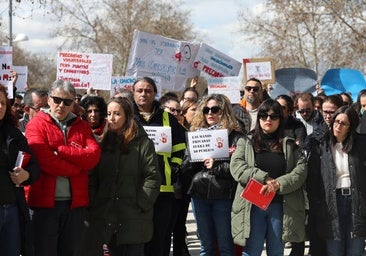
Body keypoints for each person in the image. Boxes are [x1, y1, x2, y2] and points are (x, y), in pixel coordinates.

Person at [25, 80, 101, 256]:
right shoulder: (36, 124)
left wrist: (61, 150)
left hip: (75, 206)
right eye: (57, 100)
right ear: (49, 99)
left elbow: (93, 157)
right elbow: (45, 161)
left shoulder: (81, 125)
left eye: (67, 102)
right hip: (44, 205)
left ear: (73, 102)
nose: (61, 105)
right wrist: (76, 168)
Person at [82, 97, 161, 256]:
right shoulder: (101, 143)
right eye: (109, 113)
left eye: (117, 113)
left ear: (127, 116)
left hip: (133, 218)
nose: (111, 118)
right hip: (104, 217)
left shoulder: (143, 143)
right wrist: (94, 201)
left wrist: (142, 203)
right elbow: (92, 177)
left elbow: (152, 177)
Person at [230, 99, 307, 256]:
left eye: (273, 116)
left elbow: (300, 171)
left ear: (280, 119)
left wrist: (278, 184)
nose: (268, 120)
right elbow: (237, 167)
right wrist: (264, 178)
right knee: (252, 250)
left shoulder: (290, 145)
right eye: (264, 115)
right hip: (252, 204)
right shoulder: (246, 141)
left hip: (280, 206)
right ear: (258, 118)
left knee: (276, 251)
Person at [131, 77, 186, 256]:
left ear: (155, 93)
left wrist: (174, 167)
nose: (143, 94)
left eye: (148, 90)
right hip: (133, 189)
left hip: (163, 188)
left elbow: (180, 148)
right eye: (139, 90)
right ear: (133, 93)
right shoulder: (126, 117)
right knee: (136, 238)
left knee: (160, 238)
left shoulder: (167, 118)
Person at [183, 94, 243, 256]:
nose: (210, 113)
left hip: (224, 196)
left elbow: (239, 169)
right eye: (206, 110)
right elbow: (186, 167)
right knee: (206, 246)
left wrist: (216, 165)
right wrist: (195, 159)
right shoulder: (196, 135)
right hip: (199, 195)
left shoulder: (235, 137)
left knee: (225, 246)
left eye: (215, 109)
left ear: (224, 112)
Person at [306, 106, 366, 256]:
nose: (338, 126)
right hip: (331, 202)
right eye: (336, 121)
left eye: (343, 123)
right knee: (334, 250)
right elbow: (312, 178)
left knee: (355, 249)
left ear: (351, 126)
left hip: (356, 202)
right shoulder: (321, 145)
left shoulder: (361, 145)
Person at [0, 84, 40, 256]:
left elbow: (34, 166)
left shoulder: (14, 135)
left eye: (2, 103)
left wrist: (27, 175)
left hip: (11, 211)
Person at [173, 99, 198, 256]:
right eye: (193, 110)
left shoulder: (199, 131)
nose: (196, 113)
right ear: (185, 113)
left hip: (190, 183)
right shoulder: (179, 132)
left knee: (180, 222)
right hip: (177, 182)